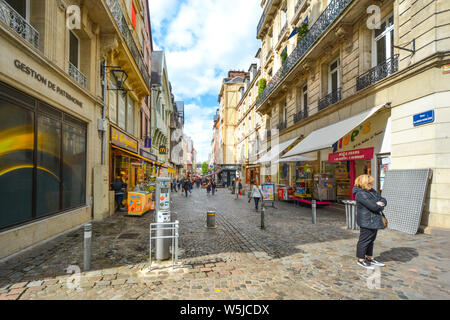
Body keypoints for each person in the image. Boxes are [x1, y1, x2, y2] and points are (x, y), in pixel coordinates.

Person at [353, 174, 387, 270]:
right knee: (364, 240)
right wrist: (378, 204)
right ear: (364, 183)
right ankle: (361, 260)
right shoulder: (361, 194)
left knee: (371, 240)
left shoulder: (371, 191)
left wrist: (380, 203)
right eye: (370, 182)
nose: (372, 184)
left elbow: (383, 199)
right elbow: (374, 207)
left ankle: (369, 257)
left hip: (374, 219)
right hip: (367, 220)